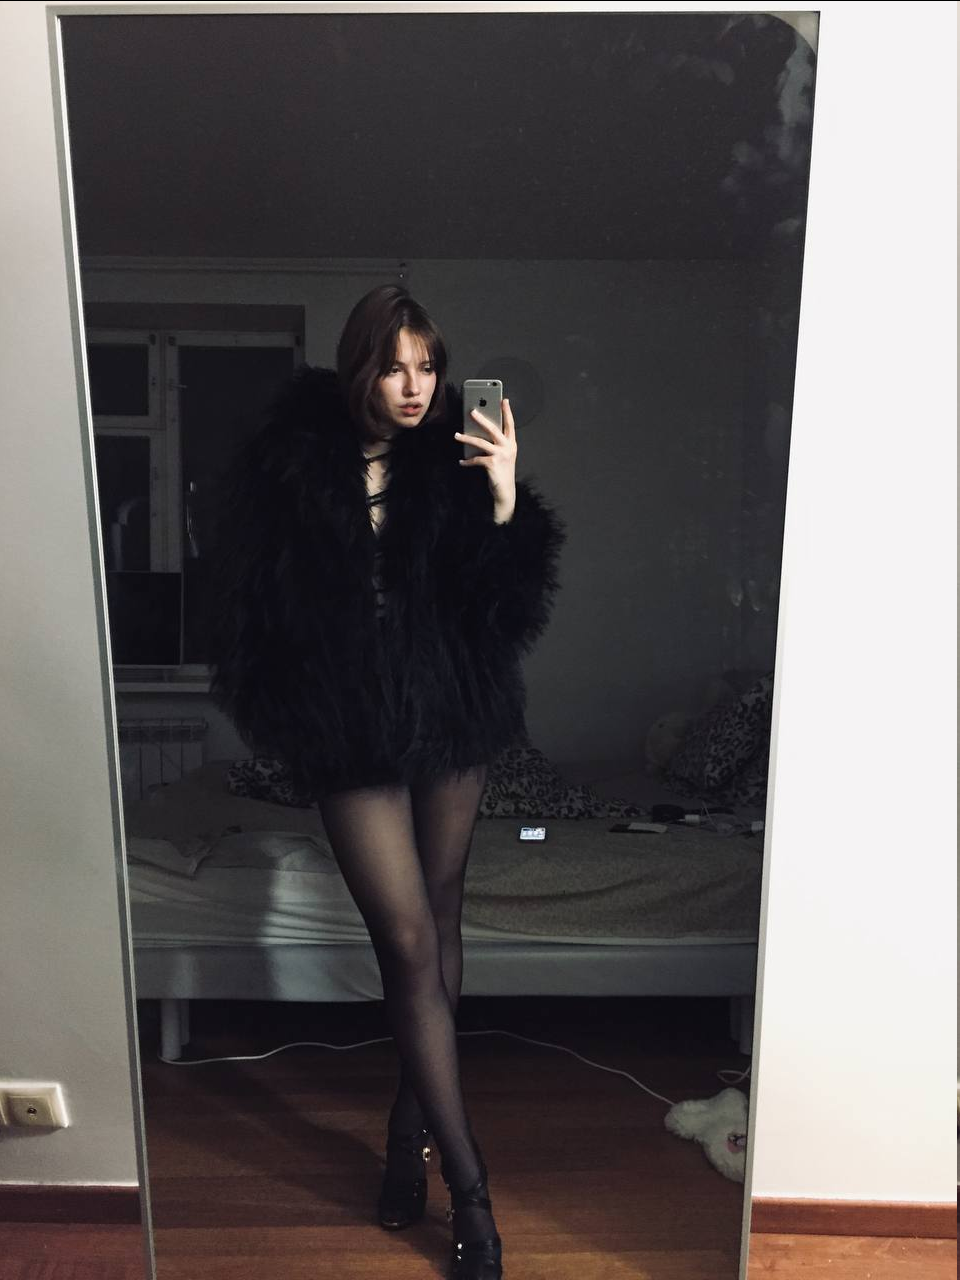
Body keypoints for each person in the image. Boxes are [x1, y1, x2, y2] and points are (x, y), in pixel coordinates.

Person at [206, 284, 566, 1279]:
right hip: (346, 730)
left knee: (441, 920)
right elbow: (246, 612)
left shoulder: (453, 462)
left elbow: (502, 615)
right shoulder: (287, 465)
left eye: (429, 367)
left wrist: (502, 496)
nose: (415, 387)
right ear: (358, 366)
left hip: (448, 716)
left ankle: (410, 1133)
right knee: (406, 941)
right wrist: (298, 711)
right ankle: (472, 1189)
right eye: (396, 366)